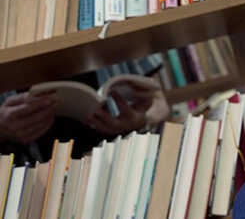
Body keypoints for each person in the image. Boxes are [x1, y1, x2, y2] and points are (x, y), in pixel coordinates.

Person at [0, 57, 171, 164]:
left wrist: (142, 121)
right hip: (39, 180)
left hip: (123, 162)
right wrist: (3, 131)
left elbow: (160, 104)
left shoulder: (113, 21)